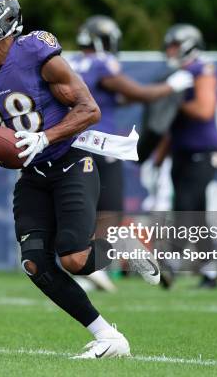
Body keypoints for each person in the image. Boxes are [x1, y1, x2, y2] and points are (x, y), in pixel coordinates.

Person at [0, 0, 158, 359]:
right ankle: (108, 337)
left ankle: (121, 247)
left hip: (70, 160)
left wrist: (45, 137)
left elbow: (89, 109)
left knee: (74, 259)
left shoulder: (36, 52)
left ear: (4, 20)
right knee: (35, 262)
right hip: (33, 174)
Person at [69, 15, 193, 291]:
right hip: (102, 144)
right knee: (110, 210)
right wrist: (172, 86)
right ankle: (94, 266)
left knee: (81, 207)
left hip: (73, 144)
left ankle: (86, 268)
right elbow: (138, 93)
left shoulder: (69, 64)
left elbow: (114, 97)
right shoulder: (102, 63)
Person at [155, 24, 217, 289]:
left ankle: (170, 262)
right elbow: (171, 125)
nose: (170, 50)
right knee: (196, 212)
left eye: (174, 45)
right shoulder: (180, 73)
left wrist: (172, 99)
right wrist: (159, 157)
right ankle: (211, 271)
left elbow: (205, 109)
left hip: (202, 151)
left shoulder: (201, 68)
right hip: (182, 151)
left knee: (186, 206)